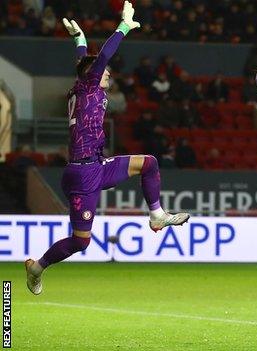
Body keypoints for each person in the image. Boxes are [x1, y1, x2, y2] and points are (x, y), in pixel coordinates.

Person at [24, 2, 190, 296]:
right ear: (92, 74)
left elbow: (84, 61)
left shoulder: (84, 85)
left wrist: (80, 40)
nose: (108, 74)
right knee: (81, 241)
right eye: (104, 72)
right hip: (82, 173)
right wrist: (124, 25)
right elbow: (102, 57)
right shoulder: (88, 85)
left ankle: (156, 215)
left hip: (97, 166)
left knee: (149, 163)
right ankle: (38, 267)